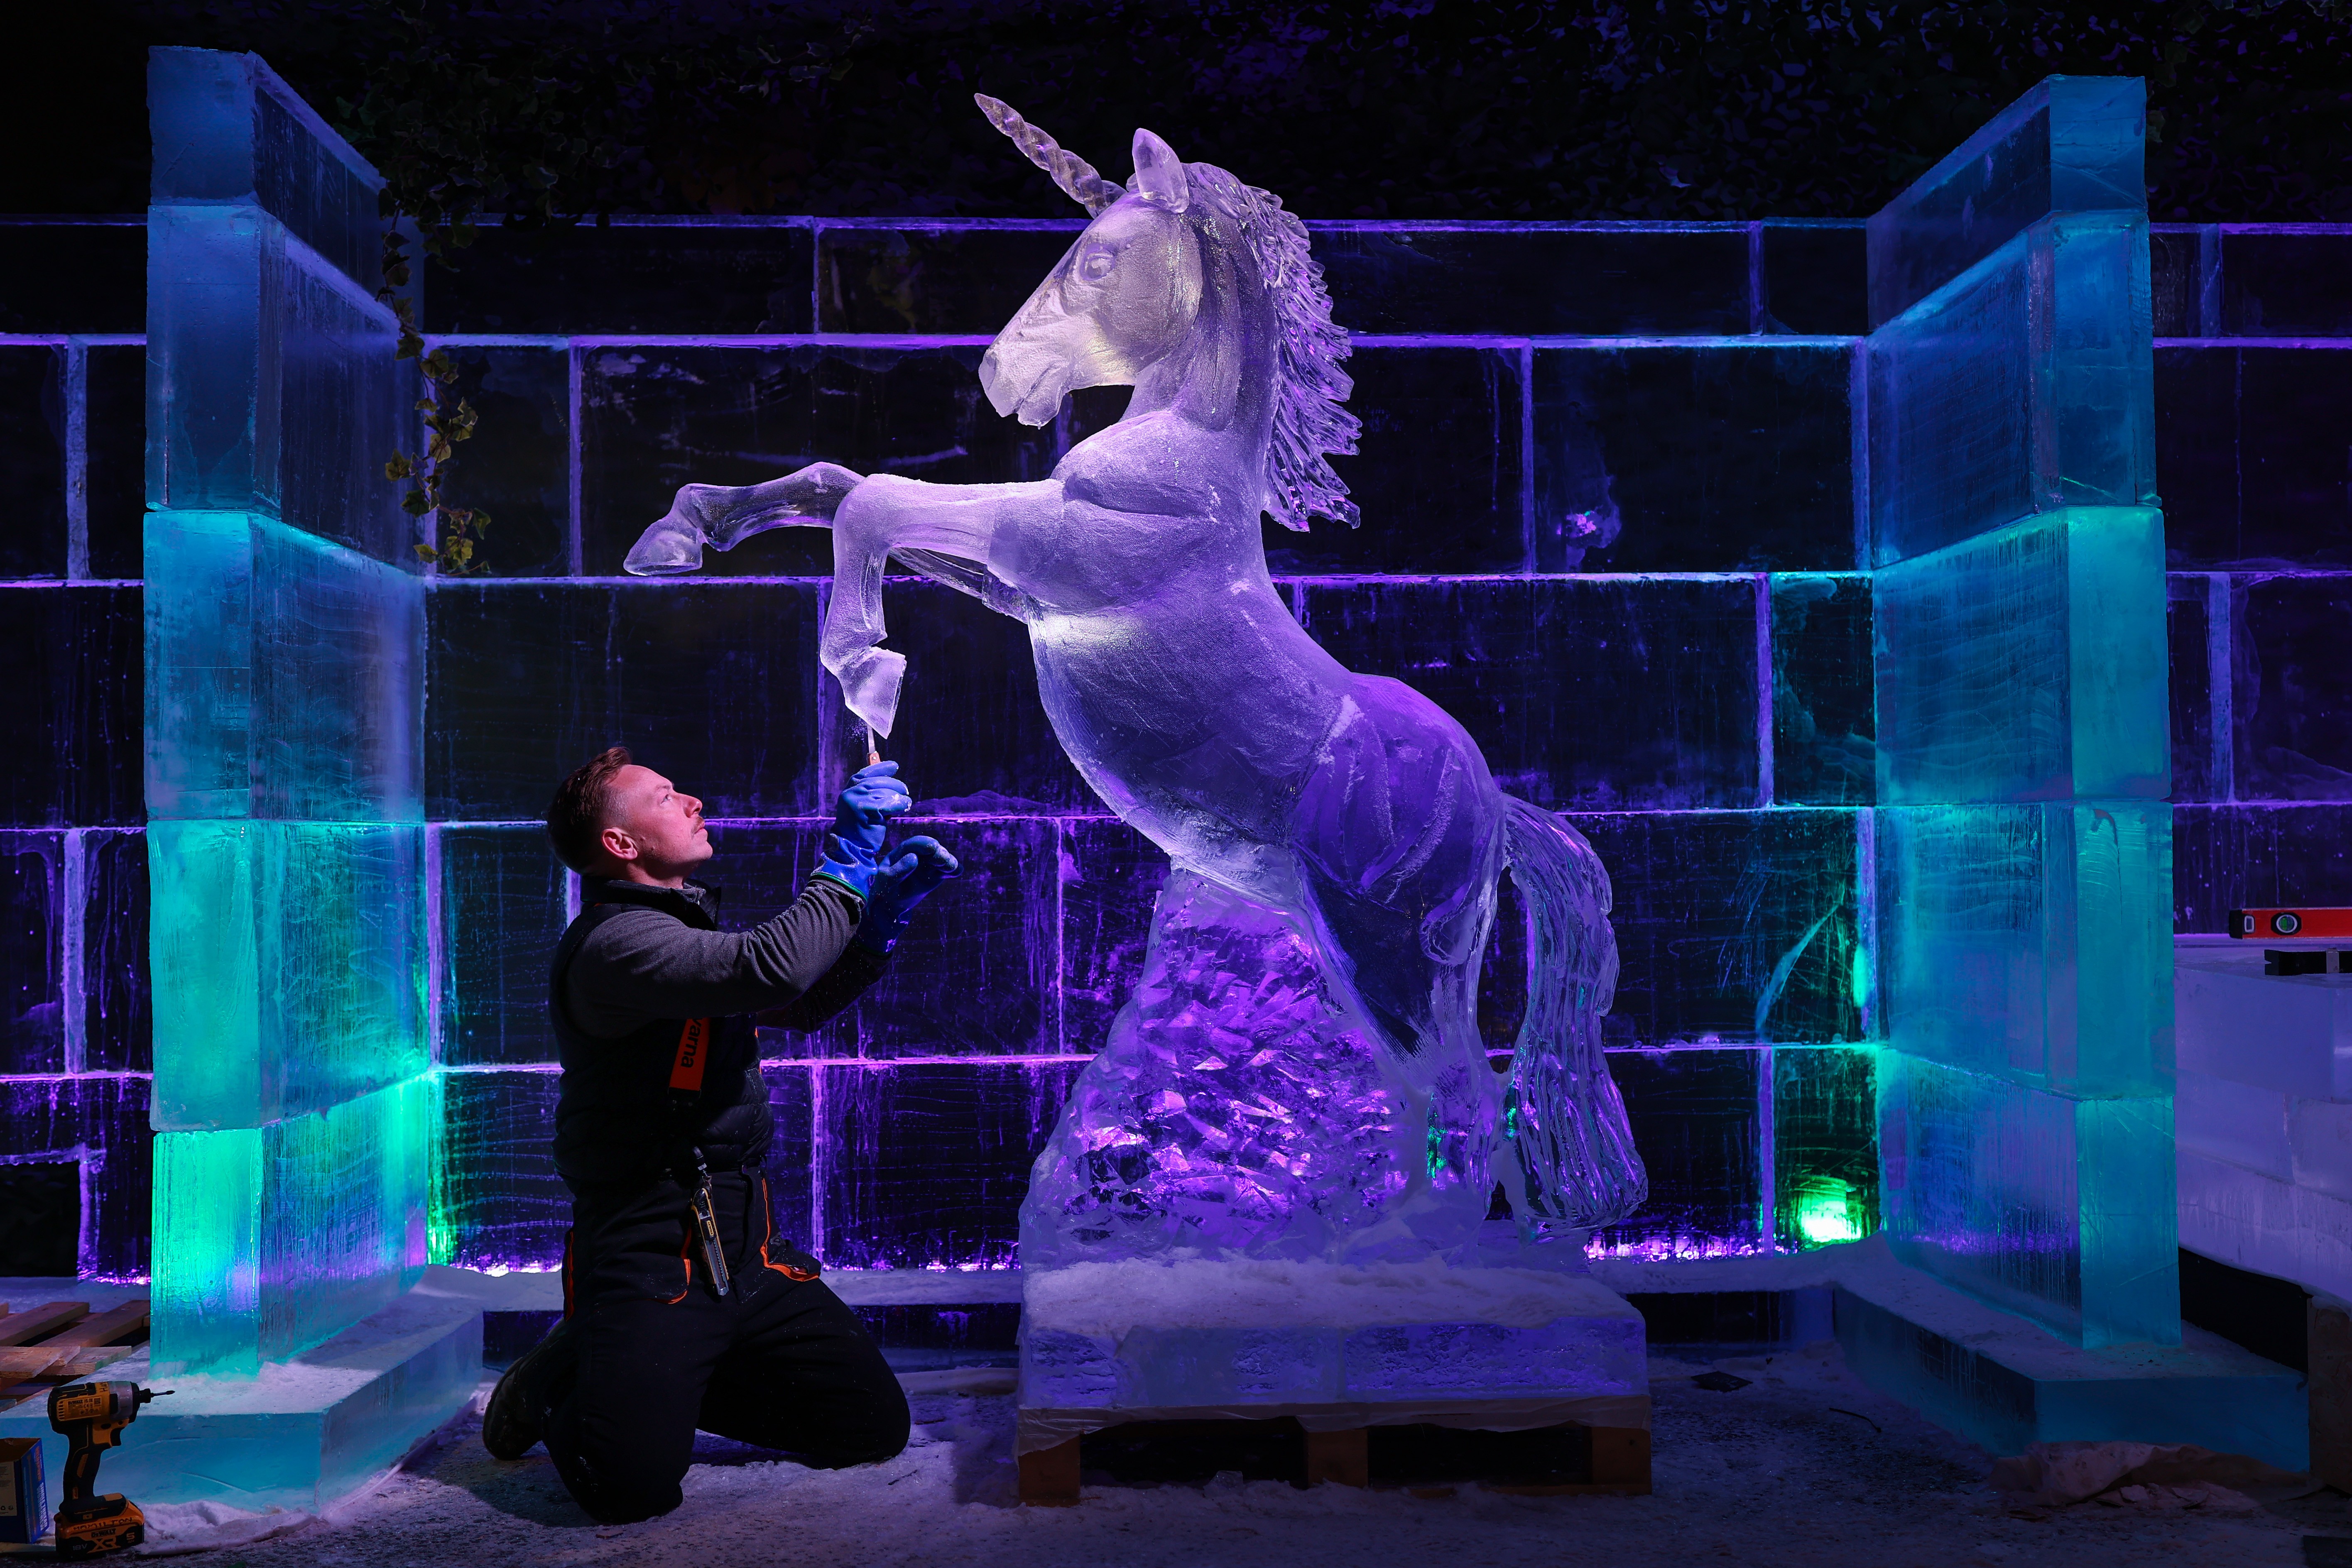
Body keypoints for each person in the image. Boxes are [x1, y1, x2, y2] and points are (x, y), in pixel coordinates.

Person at [481, 744, 960, 1523]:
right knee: (627, 1489)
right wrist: (847, 860)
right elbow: (772, 970)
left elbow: (791, 1004)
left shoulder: (675, 932)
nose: (694, 800)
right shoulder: (617, 945)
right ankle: (565, 1376)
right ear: (621, 845)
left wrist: (877, 927)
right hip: (651, 1246)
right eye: (667, 796)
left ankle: (649, 1370)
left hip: (747, 1242)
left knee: (867, 1426)